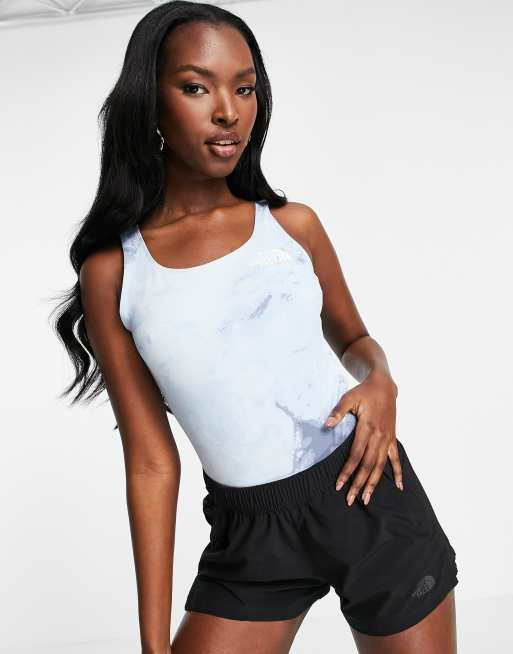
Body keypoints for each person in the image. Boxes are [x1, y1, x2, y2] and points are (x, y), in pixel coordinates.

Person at [51, 2, 459, 652]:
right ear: (149, 102)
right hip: (250, 536)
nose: (228, 111)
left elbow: (354, 341)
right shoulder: (114, 273)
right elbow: (151, 462)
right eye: (196, 87)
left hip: (366, 491)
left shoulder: (292, 227)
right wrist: (152, 644)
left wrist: (381, 381)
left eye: (244, 89)